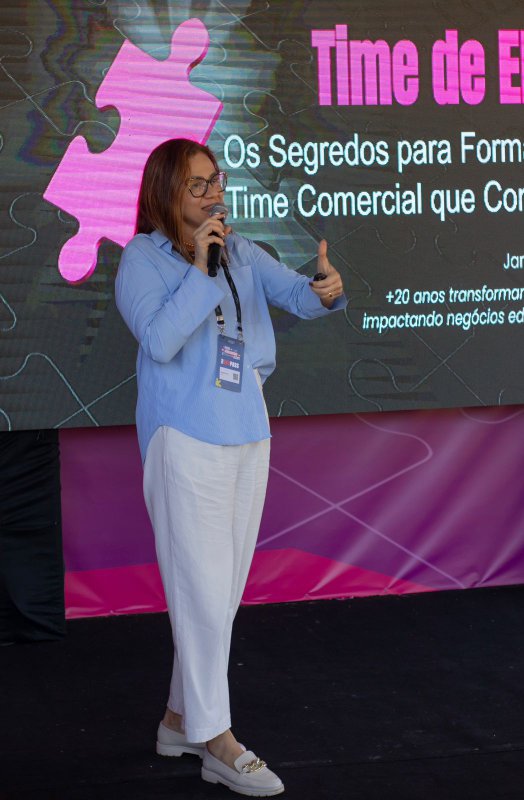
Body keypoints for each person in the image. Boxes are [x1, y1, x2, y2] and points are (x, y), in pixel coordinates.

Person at [115, 138, 346, 796]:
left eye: (217, 180)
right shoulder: (141, 260)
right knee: (202, 591)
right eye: (199, 183)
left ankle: (178, 719)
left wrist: (326, 290)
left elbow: (298, 296)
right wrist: (201, 265)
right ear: (166, 192)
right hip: (183, 437)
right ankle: (217, 742)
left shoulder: (241, 250)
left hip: (247, 429)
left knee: (219, 596)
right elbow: (160, 340)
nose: (215, 192)